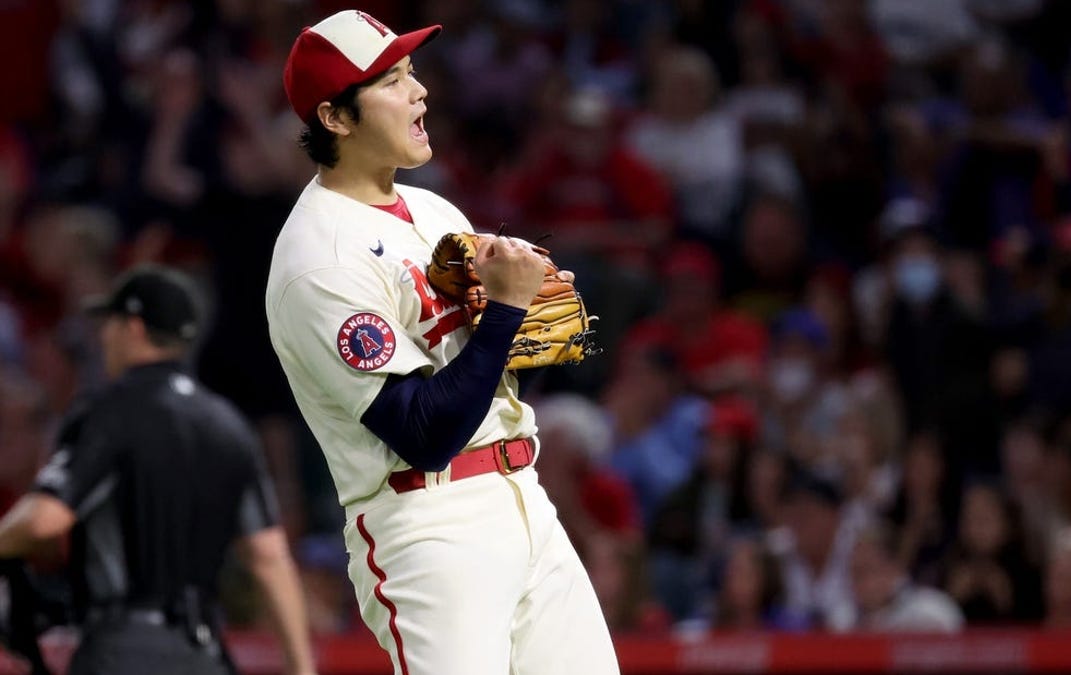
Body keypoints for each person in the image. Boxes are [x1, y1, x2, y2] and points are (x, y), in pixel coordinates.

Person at [265, 10, 618, 675]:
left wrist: (533, 328)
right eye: (392, 80)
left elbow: (487, 380)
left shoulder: (432, 211)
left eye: (413, 72)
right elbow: (423, 431)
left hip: (523, 496)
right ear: (336, 119)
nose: (419, 91)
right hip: (428, 521)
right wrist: (508, 308)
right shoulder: (320, 259)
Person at [0, 265, 315, 675]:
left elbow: (44, 520)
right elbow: (269, 557)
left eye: (110, 324)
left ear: (133, 327)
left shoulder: (108, 411)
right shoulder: (228, 424)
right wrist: (303, 667)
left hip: (121, 650)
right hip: (203, 652)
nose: (105, 337)